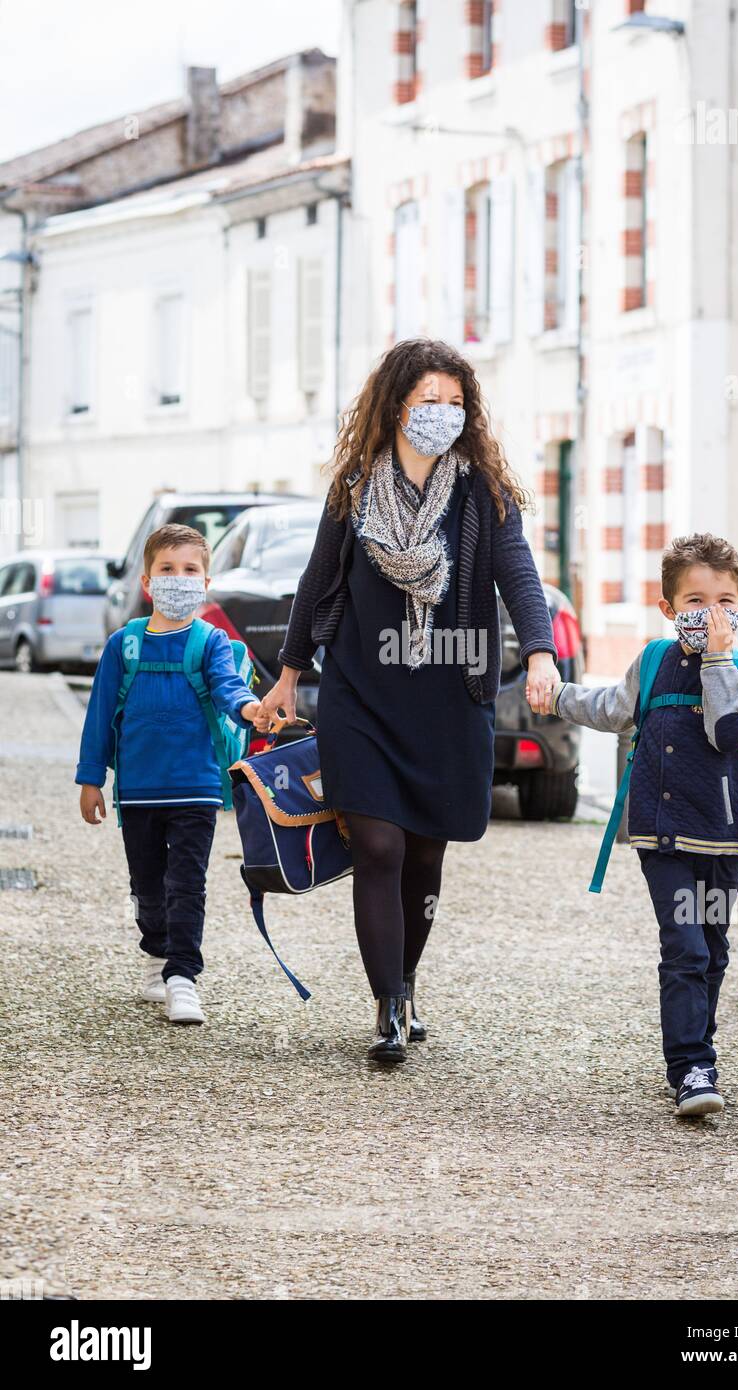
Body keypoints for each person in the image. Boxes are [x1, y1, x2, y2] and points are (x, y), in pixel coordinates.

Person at [255, 338, 560, 1064]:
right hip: (362, 697)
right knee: (381, 847)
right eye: (430, 400)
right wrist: (290, 675)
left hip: (451, 696)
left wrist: (541, 651)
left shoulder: (483, 492)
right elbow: (316, 580)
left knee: (426, 855)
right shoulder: (355, 488)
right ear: (397, 405)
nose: (443, 415)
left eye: (455, 404)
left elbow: (517, 573)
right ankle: (388, 1005)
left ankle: (408, 979)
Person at [545, 533, 738, 1117]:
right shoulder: (653, 660)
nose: (711, 613)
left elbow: (729, 732)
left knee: (712, 949)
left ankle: (700, 1051)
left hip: (723, 836)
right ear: (668, 609)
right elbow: (612, 708)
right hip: (663, 834)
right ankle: (691, 1066)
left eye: (724, 600)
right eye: (695, 601)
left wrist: (717, 659)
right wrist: (558, 696)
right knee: (685, 946)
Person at [75, 524, 261, 1026]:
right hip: (137, 792)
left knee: (187, 883)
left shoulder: (211, 642)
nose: (179, 579)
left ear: (206, 581)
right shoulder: (124, 645)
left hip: (196, 787)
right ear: (146, 581)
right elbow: (99, 715)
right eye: (167, 569)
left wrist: (250, 708)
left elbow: (228, 688)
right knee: (147, 886)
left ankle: (183, 976)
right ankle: (158, 952)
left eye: (190, 570)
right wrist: (92, 778)